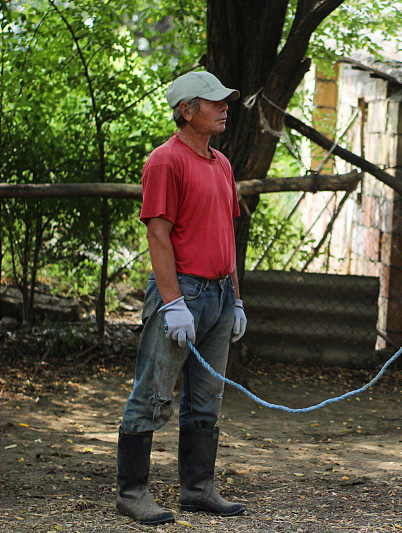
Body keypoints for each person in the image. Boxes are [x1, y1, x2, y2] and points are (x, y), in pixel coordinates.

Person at [115, 71, 247, 524]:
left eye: (224, 101)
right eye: (214, 102)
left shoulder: (223, 164)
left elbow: (226, 235)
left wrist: (236, 300)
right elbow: (158, 235)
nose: (224, 107)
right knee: (154, 392)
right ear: (187, 110)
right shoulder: (165, 161)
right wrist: (173, 303)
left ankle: (198, 489)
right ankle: (132, 493)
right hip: (184, 290)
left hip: (218, 292)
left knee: (207, 397)